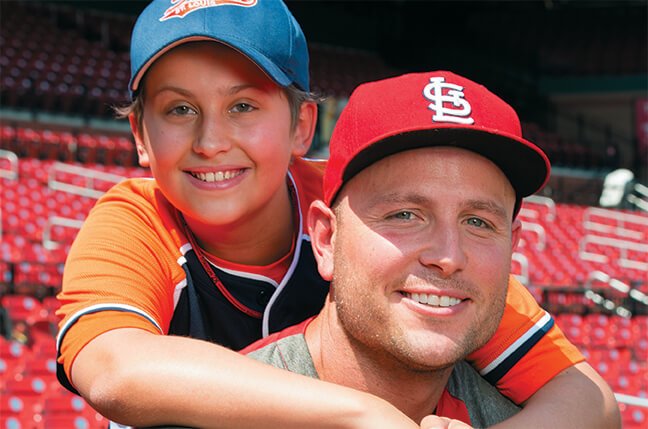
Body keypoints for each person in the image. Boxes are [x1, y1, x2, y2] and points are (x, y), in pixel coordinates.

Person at [55, 1, 620, 428]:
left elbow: (584, 396)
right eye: (180, 109)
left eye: (243, 105)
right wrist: (363, 415)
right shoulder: (137, 218)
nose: (211, 140)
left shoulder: (369, 206)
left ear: (303, 125)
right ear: (140, 136)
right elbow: (114, 369)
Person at [242, 70, 620, 428]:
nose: (448, 257)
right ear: (326, 239)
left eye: (478, 222)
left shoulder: (520, 416)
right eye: (405, 215)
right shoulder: (217, 409)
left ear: (512, 245)